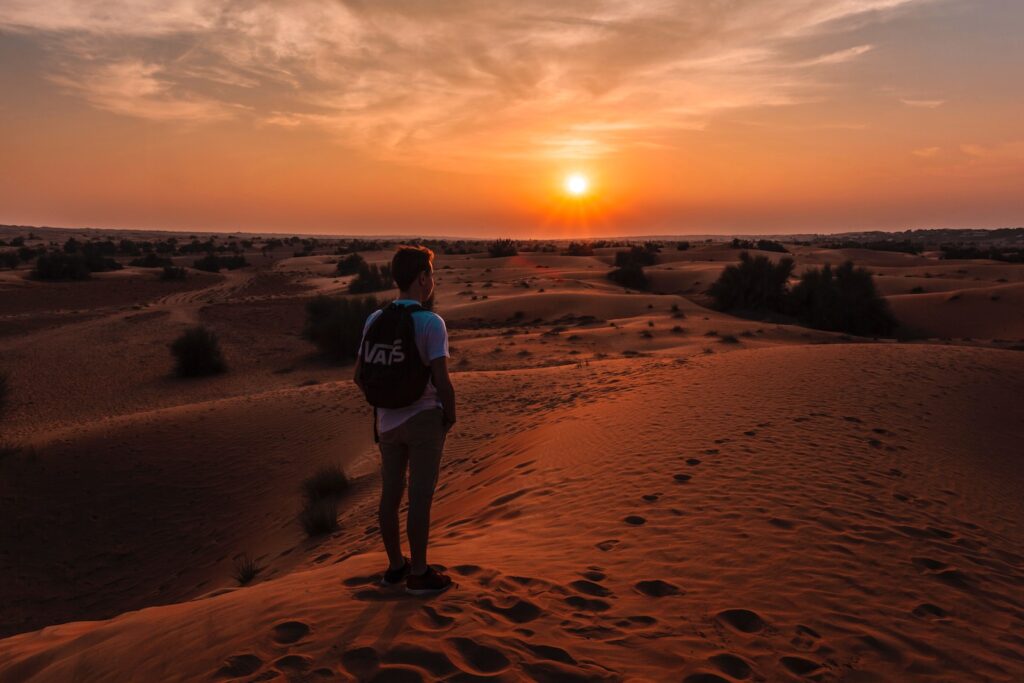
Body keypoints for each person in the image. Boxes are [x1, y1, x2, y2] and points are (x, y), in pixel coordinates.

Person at [354, 245, 455, 595]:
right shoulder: (430, 322)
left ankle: (396, 567)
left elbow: (358, 375)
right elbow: (442, 379)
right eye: (431, 274)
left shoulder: (374, 319)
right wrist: (449, 415)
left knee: (390, 496)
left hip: (386, 422)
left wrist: (386, 402)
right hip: (423, 418)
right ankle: (420, 573)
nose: (432, 281)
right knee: (420, 496)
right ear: (422, 278)